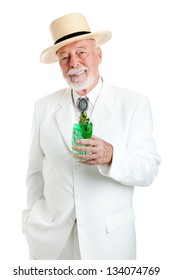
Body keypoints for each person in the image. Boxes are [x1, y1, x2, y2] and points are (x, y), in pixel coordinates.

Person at [22, 13, 161, 260]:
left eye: (81, 52)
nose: (73, 62)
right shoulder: (42, 107)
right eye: (64, 57)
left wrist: (111, 155)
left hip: (109, 245)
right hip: (53, 246)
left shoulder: (134, 104)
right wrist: (29, 222)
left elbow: (148, 170)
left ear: (99, 55)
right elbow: (35, 174)